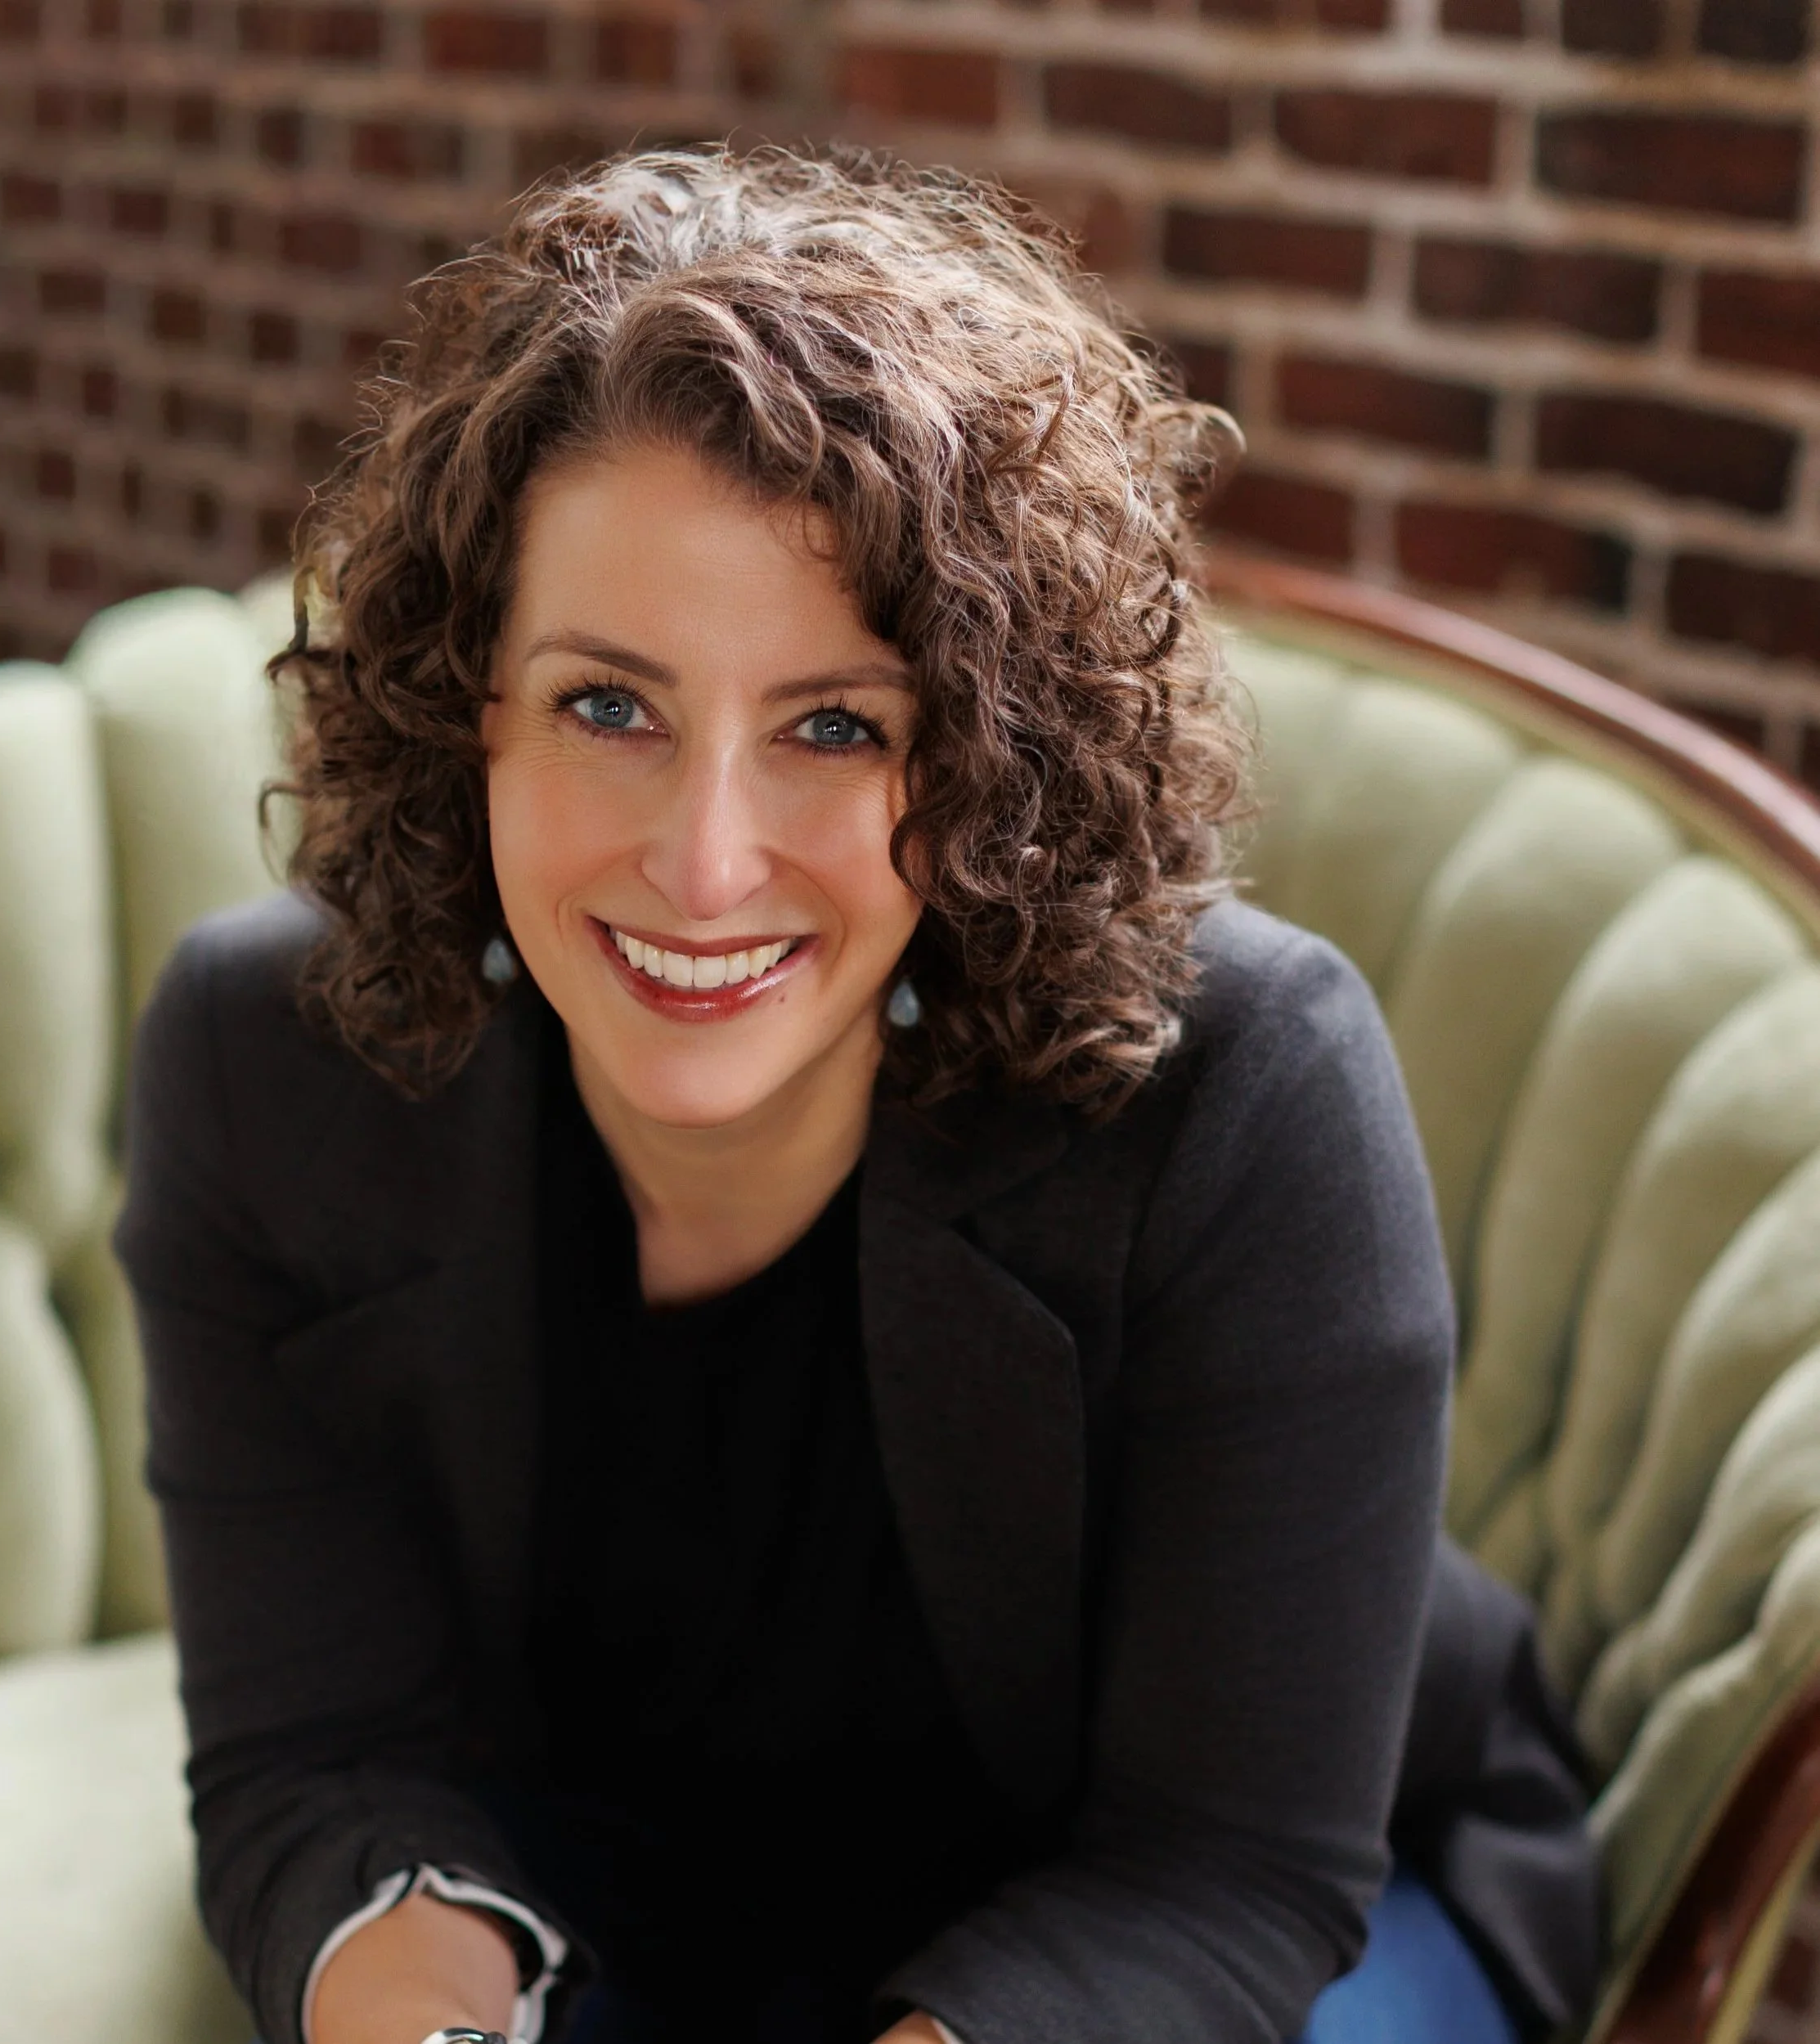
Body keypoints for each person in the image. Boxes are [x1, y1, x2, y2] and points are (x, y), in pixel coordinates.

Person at [112, 141, 1601, 2044]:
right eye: (605, 705)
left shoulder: (1243, 1093)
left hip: (1237, 1920)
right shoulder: (265, 1067)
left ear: (978, 755)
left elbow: (1227, 1869)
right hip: (615, 1895)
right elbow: (321, 1754)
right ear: (467, 706)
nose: (704, 862)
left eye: (833, 726)